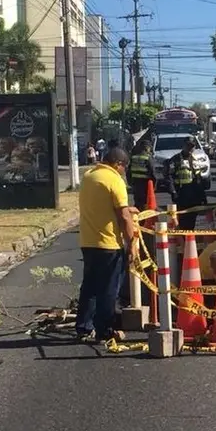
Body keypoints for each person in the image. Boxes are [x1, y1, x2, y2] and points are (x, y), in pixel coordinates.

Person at [77, 146, 139, 342]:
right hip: (109, 243)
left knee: (89, 287)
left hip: (88, 241)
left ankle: (84, 327)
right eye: (124, 167)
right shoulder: (115, 180)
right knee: (109, 289)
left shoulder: (89, 176)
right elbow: (124, 217)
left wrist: (126, 208)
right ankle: (104, 330)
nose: (124, 172)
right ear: (118, 164)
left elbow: (102, 204)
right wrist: (132, 243)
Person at [167, 137, 207, 231]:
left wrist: (203, 196)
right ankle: (184, 241)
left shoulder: (195, 160)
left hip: (194, 196)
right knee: (183, 221)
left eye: (192, 147)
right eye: (188, 146)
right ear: (184, 146)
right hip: (181, 196)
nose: (190, 149)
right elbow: (169, 177)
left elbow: (199, 179)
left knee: (192, 220)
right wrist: (173, 192)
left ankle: (189, 239)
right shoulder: (175, 160)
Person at [128, 138, 153, 208]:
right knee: (145, 203)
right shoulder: (148, 158)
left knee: (137, 202)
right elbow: (152, 172)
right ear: (147, 148)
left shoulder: (133, 157)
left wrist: (130, 182)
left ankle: (137, 217)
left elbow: (128, 172)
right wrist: (154, 185)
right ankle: (144, 217)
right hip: (145, 184)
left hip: (135, 183)